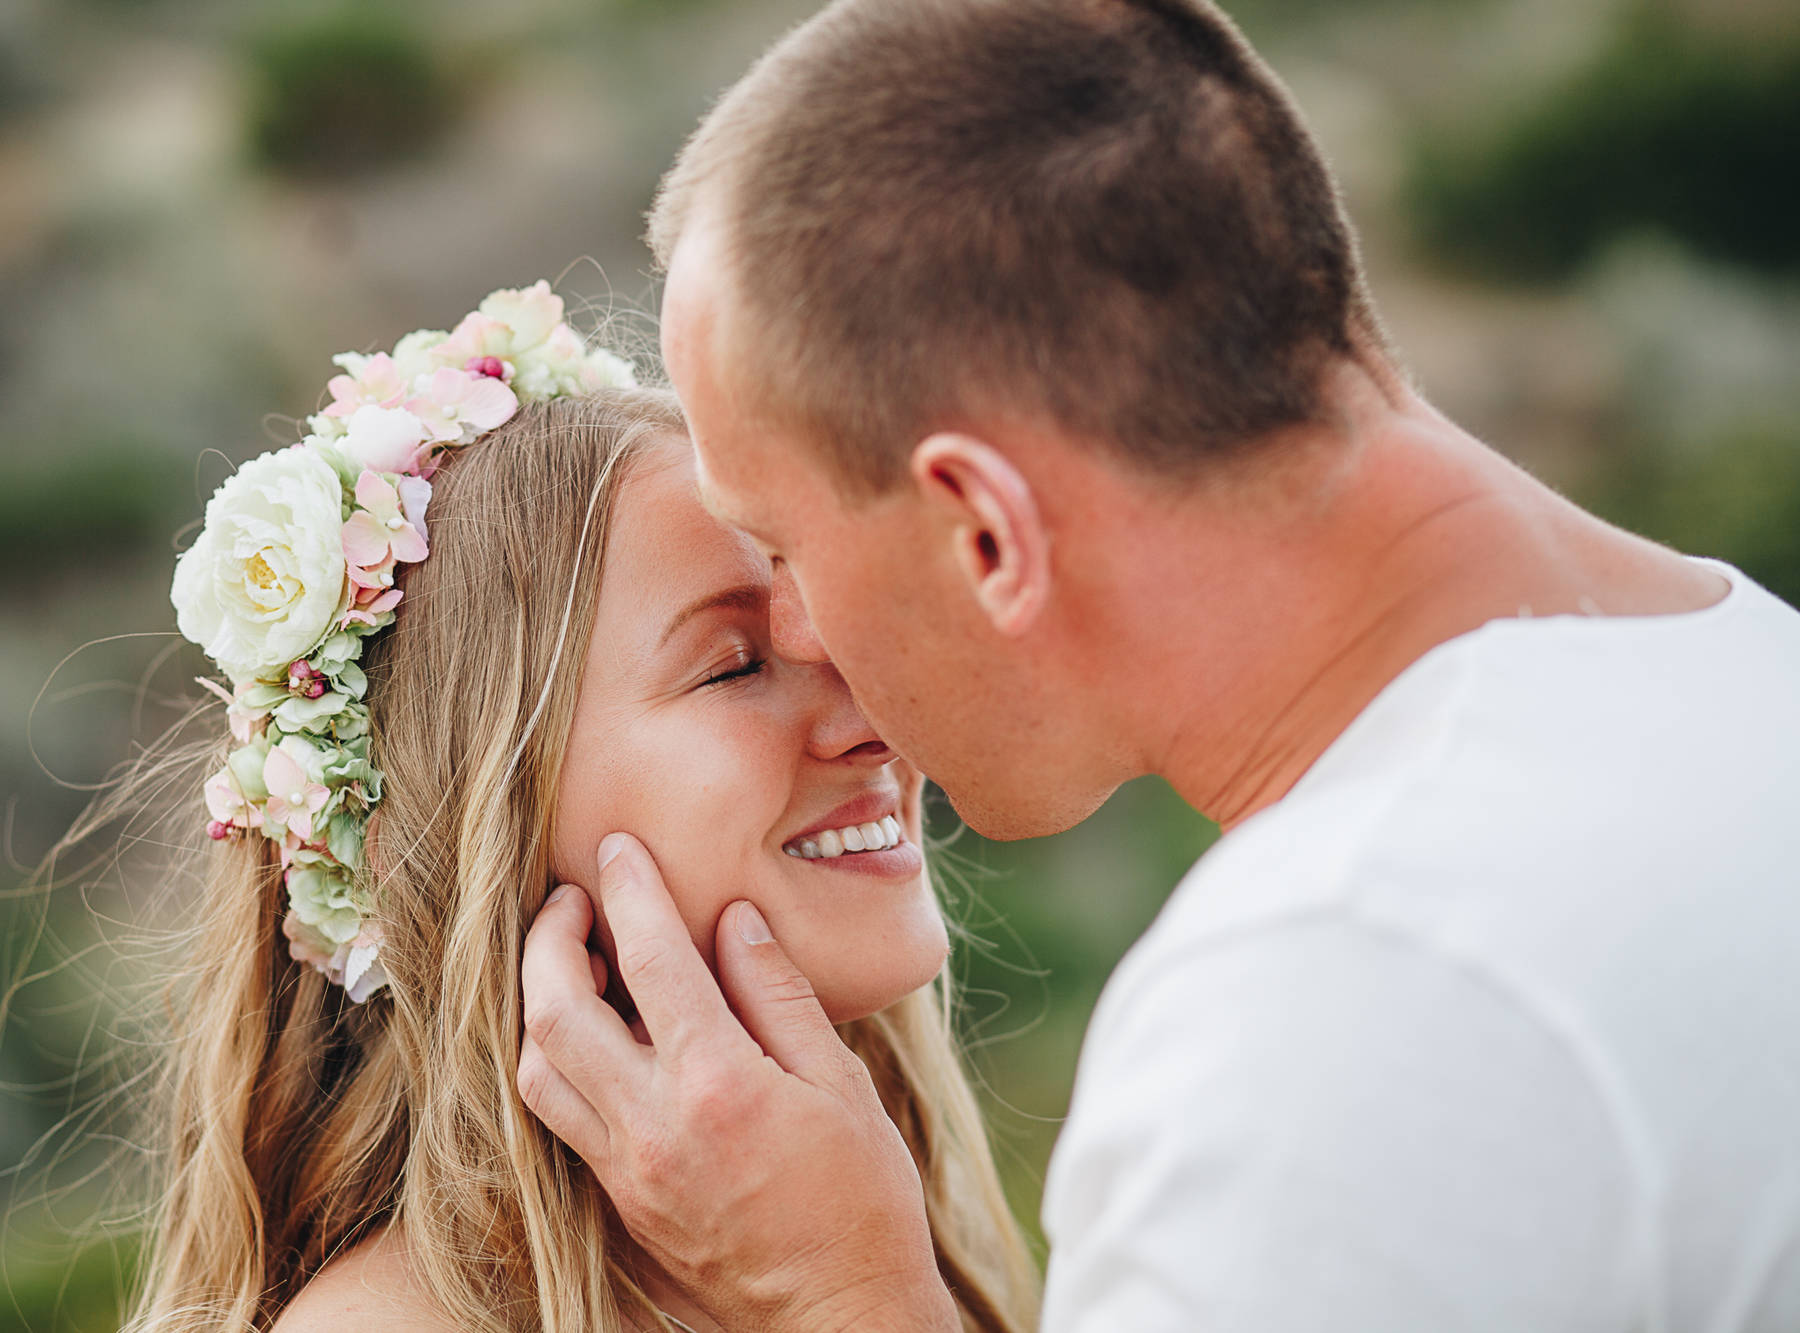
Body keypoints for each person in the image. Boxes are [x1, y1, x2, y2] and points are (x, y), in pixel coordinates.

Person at [516, 1, 1800, 1330]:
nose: (800, 638)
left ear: (986, 531)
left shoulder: (1348, 1009)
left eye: (786, 547)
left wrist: (836, 1291)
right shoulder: (1757, 679)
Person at [115, 282, 1039, 1333]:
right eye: (734, 665)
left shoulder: (881, 1223)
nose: (877, 715)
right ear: (458, 827)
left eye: (839, 636)